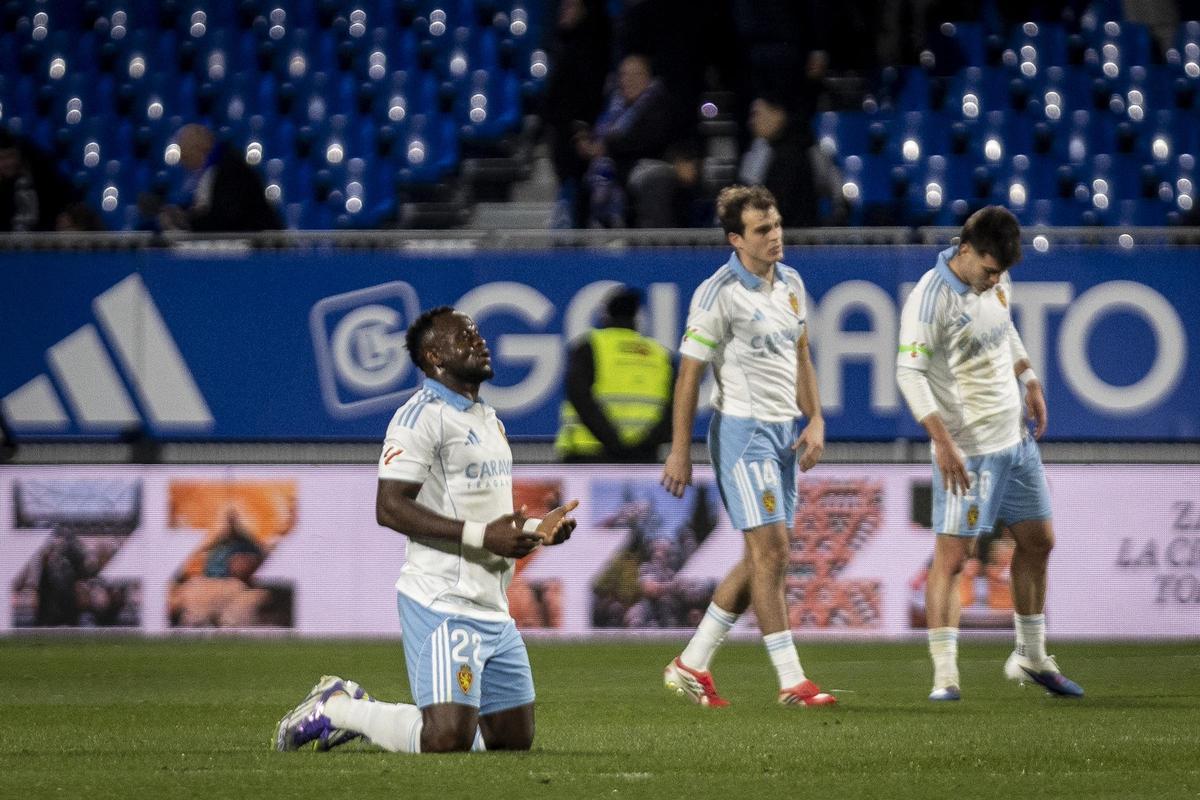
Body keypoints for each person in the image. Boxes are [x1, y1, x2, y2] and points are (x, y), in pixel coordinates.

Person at [276, 306, 579, 754]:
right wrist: (482, 537)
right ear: (435, 356)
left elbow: (492, 517)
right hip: (442, 600)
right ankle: (338, 708)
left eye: (478, 333)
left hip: (492, 605)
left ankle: (356, 707)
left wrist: (537, 527)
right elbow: (390, 507)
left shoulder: (488, 419)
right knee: (446, 737)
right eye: (465, 337)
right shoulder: (419, 417)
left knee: (512, 740)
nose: (480, 341)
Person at [895, 205, 1084, 701]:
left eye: (1000, 273)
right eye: (988, 271)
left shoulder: (995, 280)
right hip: (969, 449)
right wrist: (941, 440)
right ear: (964, 251)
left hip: (1015, 439)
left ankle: (1030, 656)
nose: (993, 281)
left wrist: (1029, 376)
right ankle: (944, 674)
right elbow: (908, 374)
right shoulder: (928, 299)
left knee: (1039, 541)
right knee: (952, 559)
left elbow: (1005, 328)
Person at [659, 185, 836, 707]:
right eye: (762, 230)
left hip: (783, 435)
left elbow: (802, 352)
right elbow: (689, 374)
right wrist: (679, 448)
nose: (775, 235)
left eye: (777, 224)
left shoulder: (792, 283)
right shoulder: (718, 294)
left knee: (761, 558)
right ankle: (792, 682)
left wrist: (817, 417)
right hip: (742, 435)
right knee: (772, 551)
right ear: (736, 239)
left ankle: (691, 664)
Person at [555, 286, 674, 463]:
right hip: (643, 460)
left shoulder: (589, 347)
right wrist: (642, 447)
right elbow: (677, 409)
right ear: (637, 318)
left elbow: (580, 399)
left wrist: (615, 444)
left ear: (605, 315)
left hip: (588, 457)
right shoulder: (660, 355)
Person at [160, 123, 282, 232]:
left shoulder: (231, 168)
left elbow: (227, 218)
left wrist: (186, 221)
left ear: (200, 148)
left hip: (259, 251)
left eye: (186, 155)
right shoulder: (216, 169)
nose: (183, 162)